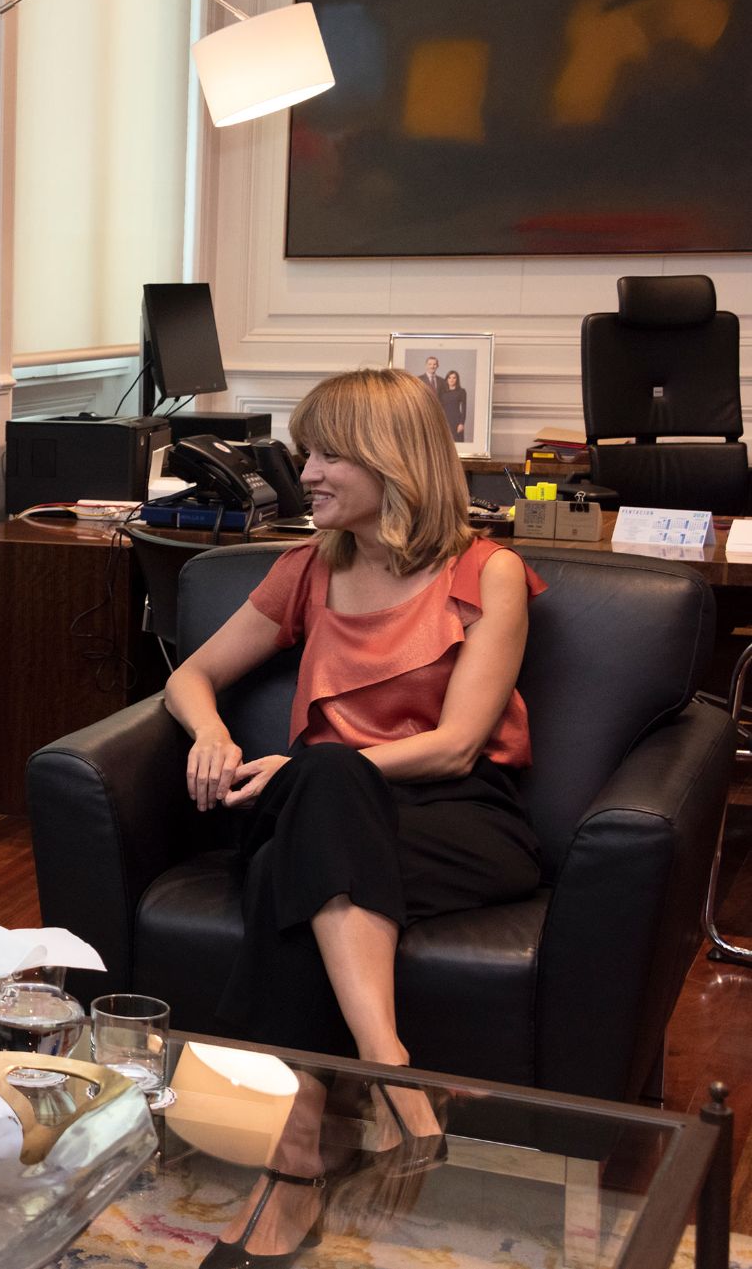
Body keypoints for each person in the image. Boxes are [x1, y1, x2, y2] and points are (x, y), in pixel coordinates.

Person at [163, 368, 544, 1266]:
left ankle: (293, 1166)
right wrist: (212, 735)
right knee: (320, 795)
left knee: (300, 836)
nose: (309, 470)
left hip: (456, 817)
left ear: (393, 461)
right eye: (309, 450)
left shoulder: (487, 575)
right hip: (316, 803)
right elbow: (190, 676)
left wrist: (315, 771)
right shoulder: (307, 569)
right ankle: (391, 1074)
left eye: (329, 452)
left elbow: (456, 745)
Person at [441, 369, 468, 442]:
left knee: (457, 443)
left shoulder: (461, 391)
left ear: (457, 379)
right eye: (449, 377)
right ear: (447, 379)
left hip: (456, 421)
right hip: (444, 421)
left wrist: (461, 423)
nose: (451, 380)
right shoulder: (443, 392)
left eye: (454, 378)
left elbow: (464, 408)